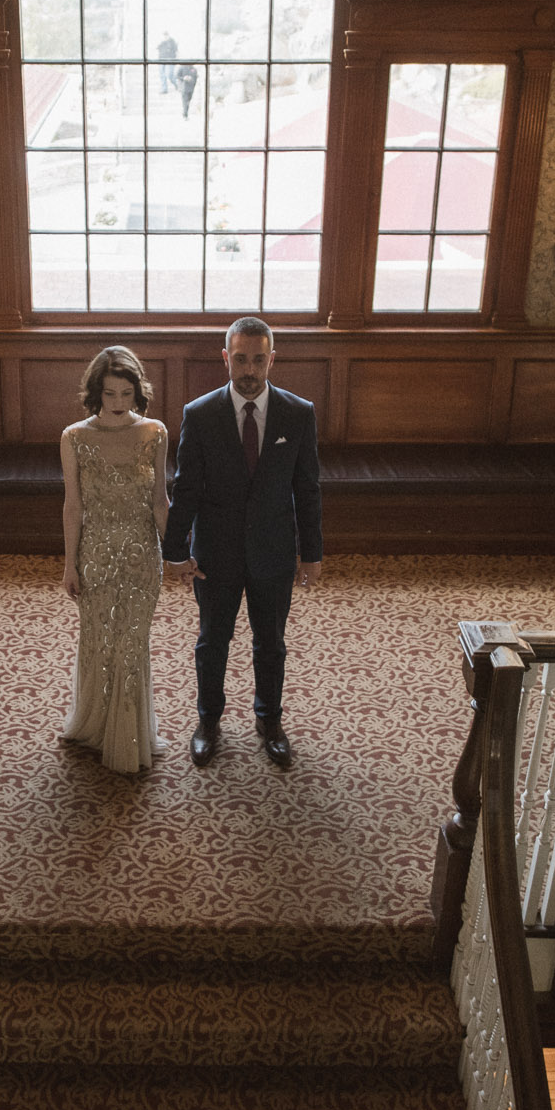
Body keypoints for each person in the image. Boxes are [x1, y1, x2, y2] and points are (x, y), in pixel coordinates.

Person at [164, 317, 322, 769]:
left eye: (258, 359)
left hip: (273, 551)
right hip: (216, 552)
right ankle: (208, 721)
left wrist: (310, 553)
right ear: (225, 358)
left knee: (270, 642)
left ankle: (270, 721)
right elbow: (186, 488)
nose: (249, 369)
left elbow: (307, 487)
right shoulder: (200, 414)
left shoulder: (298, 413)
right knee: (213, 640)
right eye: (240, 359)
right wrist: (175, 552)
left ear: (272, 359)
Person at [61, 346, 172, 774]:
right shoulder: (74, 437)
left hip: (144, 557)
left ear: (137, 391)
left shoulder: (155, 433)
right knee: (98, 640)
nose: (120, 403)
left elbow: (160, 502)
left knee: (131, 644)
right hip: (96, 556)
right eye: (110, 394)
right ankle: (94, 724)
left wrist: (178, 554)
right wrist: (70, 564)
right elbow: (73, 506)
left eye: (127, 393)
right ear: (96, 392)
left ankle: (128, 735)